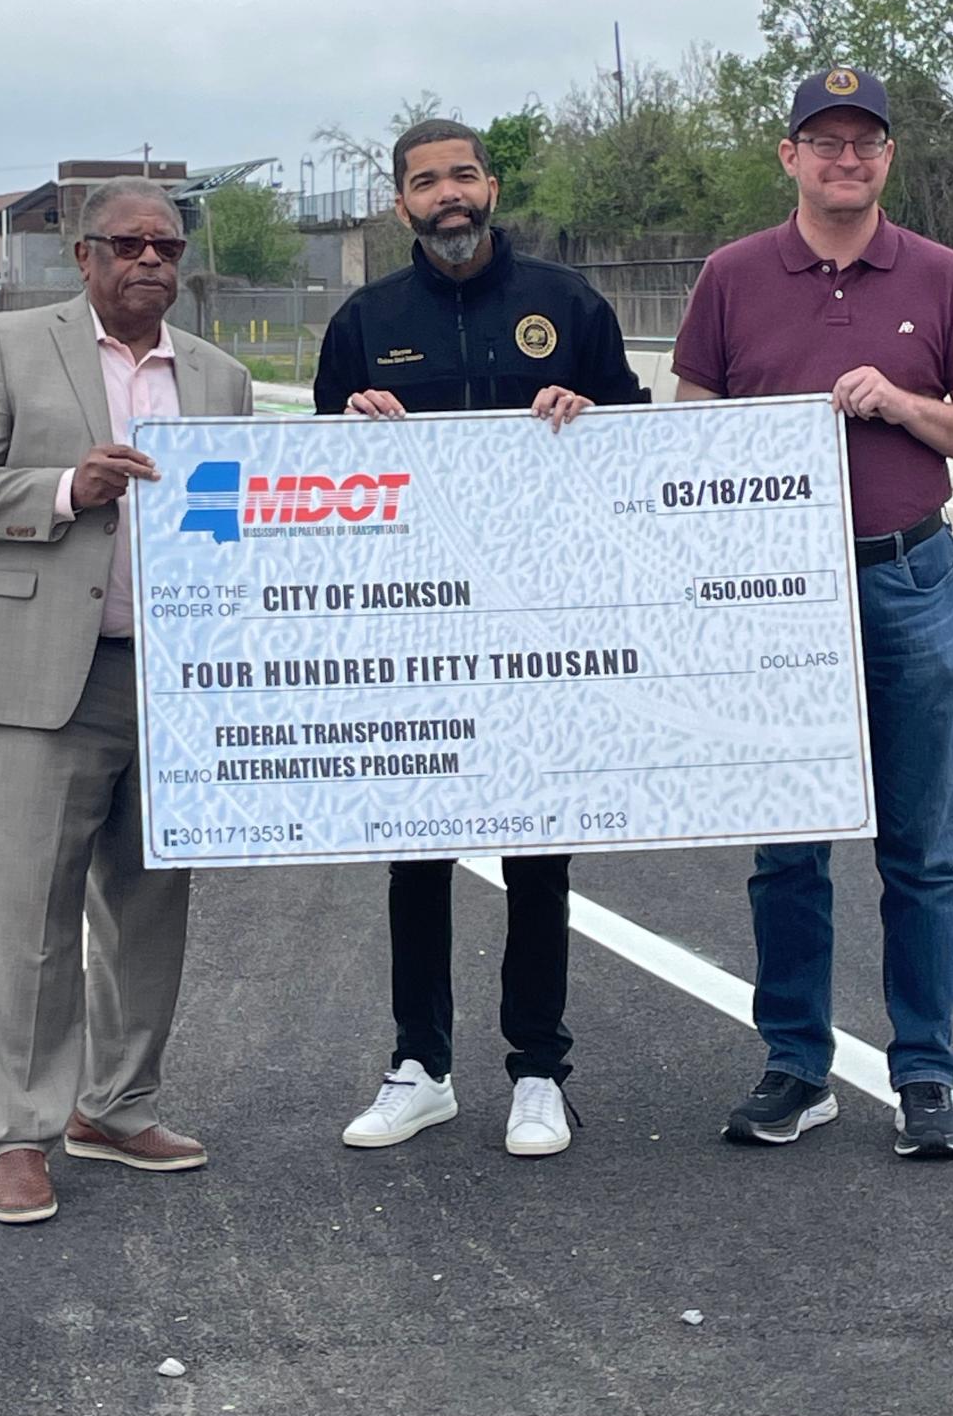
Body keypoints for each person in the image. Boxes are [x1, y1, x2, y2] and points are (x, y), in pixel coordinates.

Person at [673, 68, 953, 1159]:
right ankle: (795, 1064)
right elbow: (692, 426)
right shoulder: (730, 278)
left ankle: (925, 1074)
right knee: (788, 848)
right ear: (789, 158)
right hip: (781, 596)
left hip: (905, 577)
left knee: (922, 848)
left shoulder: (940, 274)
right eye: (823, 142)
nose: (845, 160)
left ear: (887, 158)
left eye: (863, 142)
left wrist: (904, 404)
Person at [0, 177, 253, 1223]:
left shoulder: (223, 377)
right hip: (43, 673)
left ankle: (116, 1105)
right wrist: (67, 488)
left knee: (150, 907)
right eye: (129, 244)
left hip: (173, 679)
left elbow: (246, 518)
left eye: (168, 244)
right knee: (29, 914)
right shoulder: (14, 347)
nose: (152, 259)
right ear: (85, 257)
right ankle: (20, 1132)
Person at [314, 118, 648, 1157]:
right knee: (416, 857)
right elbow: (316, 482)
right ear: (401, 201)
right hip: (416, 628)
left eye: (463, 175)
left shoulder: (567, 304)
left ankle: (539, 1069)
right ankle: (422, 1065)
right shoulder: (366, 321)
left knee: (536, 854)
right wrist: (347, 433)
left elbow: (638, 446)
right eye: (426, 181)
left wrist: (588, 413)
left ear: (492, 186)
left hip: (538, 622)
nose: (448, 194)